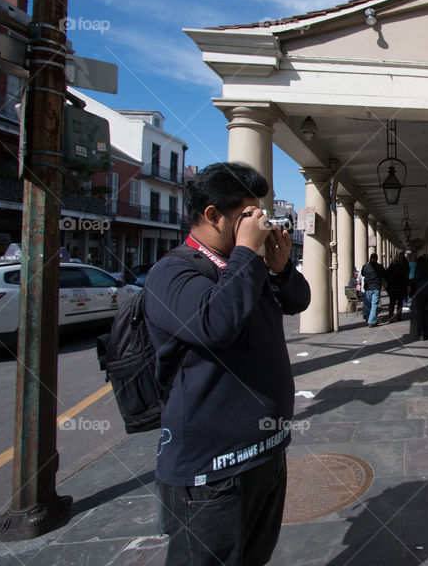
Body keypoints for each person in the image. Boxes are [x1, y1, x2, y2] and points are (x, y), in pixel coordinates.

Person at [143, 162, 310, 566]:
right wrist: (246, 254)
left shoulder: (245, 266)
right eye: (245, 217)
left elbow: (299, 301)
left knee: (255, 556)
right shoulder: (174, 271)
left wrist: (283, 268)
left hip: (265, 454)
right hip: (213, 469)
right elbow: (216, 324)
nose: (256, 224)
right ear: (212, 215)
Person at [360, 253, 387, 327]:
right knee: (374, 304)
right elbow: (384, 275)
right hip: (376, 288)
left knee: (368, 304)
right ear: (377, 259)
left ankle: (369, 319)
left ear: (370, 258)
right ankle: (371, 321)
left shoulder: (365, 266)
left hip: (367, 288)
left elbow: (362, 274)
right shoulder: (380, 267)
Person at [384, 251, 409, 322]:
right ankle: (399, 316)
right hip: (401, 287)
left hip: (392, 287)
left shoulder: (391, 267)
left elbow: (386, 276)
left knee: (392, 302)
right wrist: (408, 286)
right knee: (400, 303)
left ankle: (390, 316)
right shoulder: (403, 267)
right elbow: (406, 278)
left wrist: (385, 284)